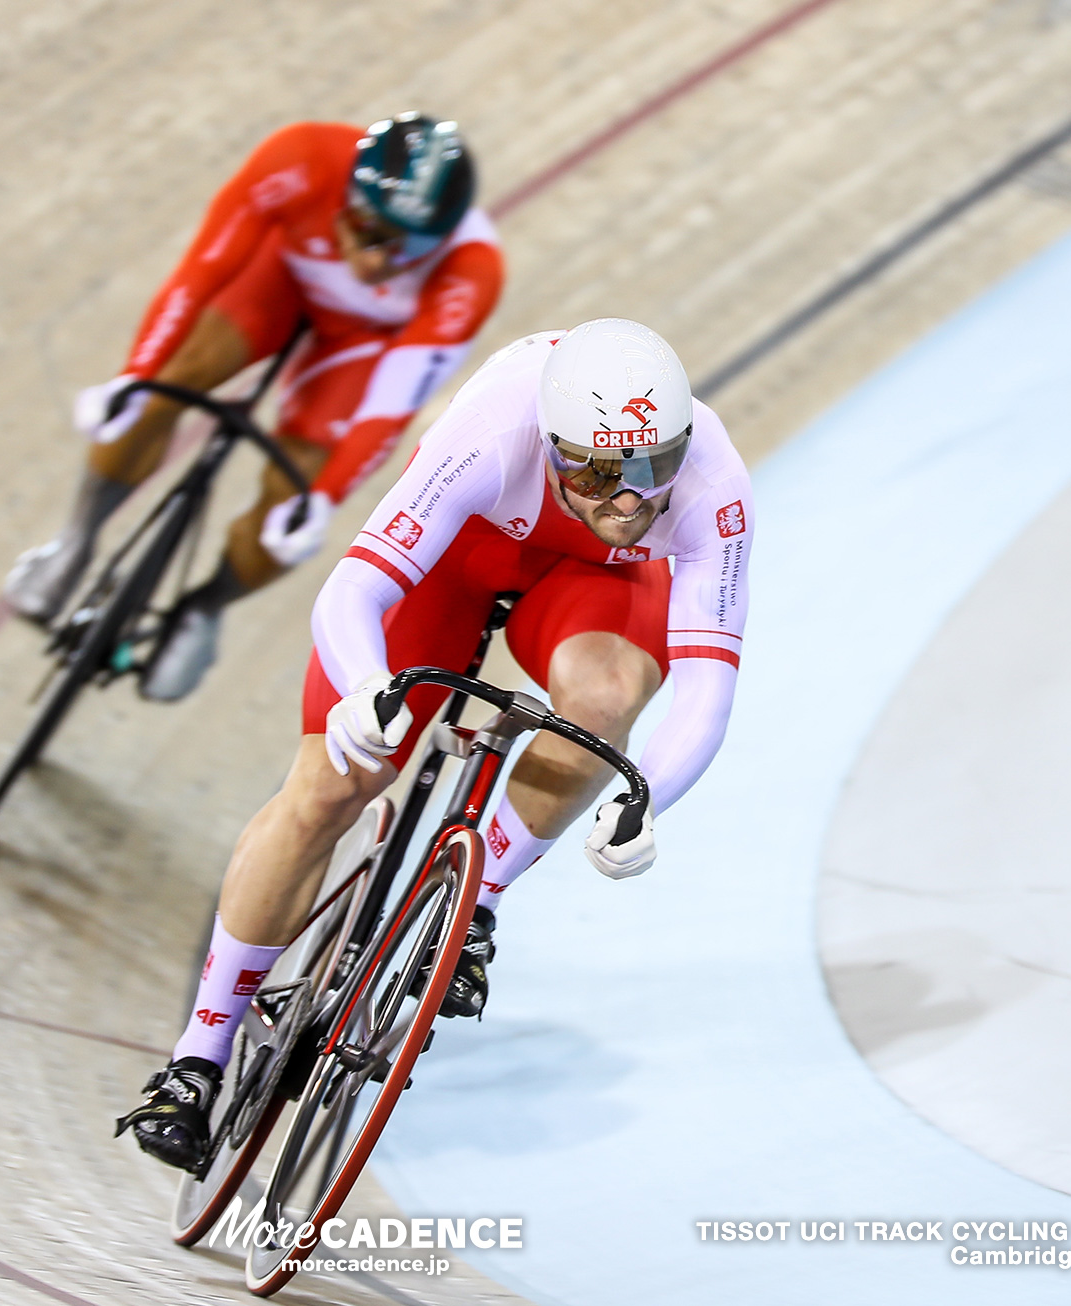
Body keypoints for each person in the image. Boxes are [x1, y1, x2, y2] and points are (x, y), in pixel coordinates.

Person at [115, 318, 753, 1169]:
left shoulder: (713, 486)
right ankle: (198, 1059)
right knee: (331, 788)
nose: (629, 502)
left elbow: (707, 696)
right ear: (554, 444)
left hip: (592, 583)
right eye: (600, 474)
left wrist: (646, 803)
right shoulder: (493, 428)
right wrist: (364, 689)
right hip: (460, 552)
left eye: (652, 469)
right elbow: (356, 591)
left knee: (604, 701)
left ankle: (474, 901)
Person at [5, 113, 504, 701]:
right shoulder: (300, 160)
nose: (377, 261)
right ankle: (75, 539)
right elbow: (201, 274)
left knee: (293, 499)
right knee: (171, 382)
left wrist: (323, 497)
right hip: (280, 282)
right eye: (369, 229)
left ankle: (207, 605)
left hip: (366, 344)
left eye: (410, 249)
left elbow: (390, 405)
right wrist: (136, 376)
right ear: (348, 194)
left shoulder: (471, 272)